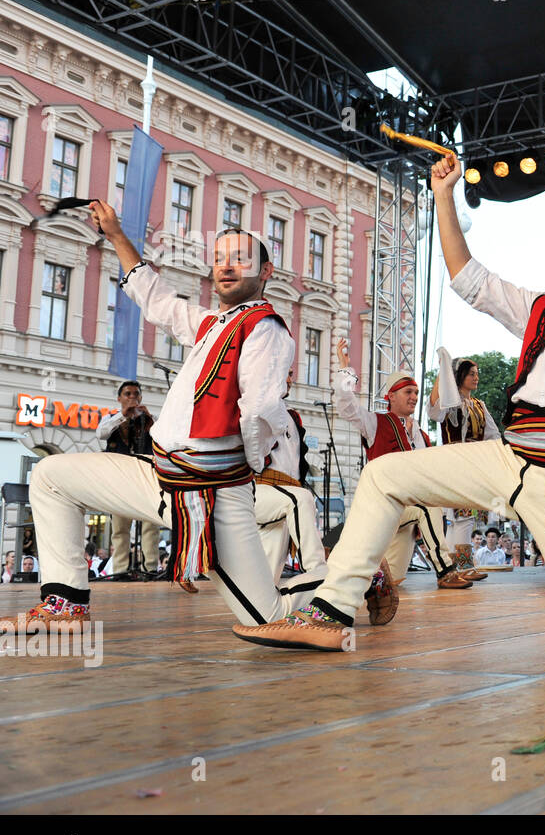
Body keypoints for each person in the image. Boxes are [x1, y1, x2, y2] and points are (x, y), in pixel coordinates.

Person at [232, 162, 545, 651]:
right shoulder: (542, 306)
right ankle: (331, 610)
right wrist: (444, 195)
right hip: (511, 454)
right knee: (385, 475)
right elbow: (471, 280)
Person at [0, 202, 315, 633]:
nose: (226, 267)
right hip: (162, 474)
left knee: (266, 617)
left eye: (240, 259)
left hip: (211, 492)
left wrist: (243, 468)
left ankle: (355, 578)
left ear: (265, 271)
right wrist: (115, 235)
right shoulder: (211, 323)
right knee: (51, 474)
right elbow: (157, 298)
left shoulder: (267, 328)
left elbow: (260, 411)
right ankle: (66, 603)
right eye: (220, 258)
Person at [334, 336, 476, 618]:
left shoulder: (420, 434)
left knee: (393, 581)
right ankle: (446, 571)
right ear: (391, 397)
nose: (413, 397)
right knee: (427, 505)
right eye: (408, 392)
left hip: (404, 516)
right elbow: (347, 407)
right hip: (385, 509)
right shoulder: (375, 422)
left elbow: (428, 471)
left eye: (415, 393)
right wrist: (345, 369)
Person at [254, 372, 330, 599]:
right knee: (300, 499)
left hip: (282, 497)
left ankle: (265, 609)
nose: (289, 379)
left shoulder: (292, 416)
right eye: (284, 373)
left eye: (290, 375)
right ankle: (320, 576)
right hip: (257, 489)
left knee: (265, 584)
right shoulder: (254, 406)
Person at [429, 355, 499, 582]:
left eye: (477, 373)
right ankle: (462, 567)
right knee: (462, 517)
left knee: (463, 519)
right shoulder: (449, 403)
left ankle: (453, 568)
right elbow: (433, 412)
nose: (476, 377)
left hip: (473, 465)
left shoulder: (479, 405)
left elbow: (493, 435)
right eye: (472, 373)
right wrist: (443, 374)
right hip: (455, 465)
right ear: (459, 376)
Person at [95, 380, 162, 579]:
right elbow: (101, 433)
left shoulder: (151, 419)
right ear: (119, 398)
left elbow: (162, 437)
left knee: (151, 526)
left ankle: (150, 569)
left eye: (135, 394)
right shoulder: (110, 419)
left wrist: (149, 420)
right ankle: (121, 571)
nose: (132, 398)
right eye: (128, 394)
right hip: (120, 480)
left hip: (147, 478)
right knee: (120, 528)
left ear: (140, 397)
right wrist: (123, 415)